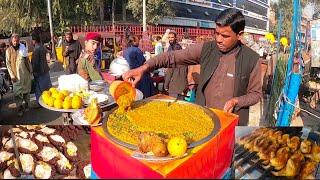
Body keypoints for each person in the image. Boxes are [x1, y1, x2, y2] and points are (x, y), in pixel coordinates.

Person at [123, 8, 262, 125]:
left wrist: (236, 101)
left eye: (225, 36)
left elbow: (255, 94)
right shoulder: (208, 49)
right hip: (204, 119)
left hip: (232, 124)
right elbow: (172, 57)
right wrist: (144, 68)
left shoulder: (251, 59)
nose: (219, 39)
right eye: (217, 33)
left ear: (239, 35)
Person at [6, 34, 33, 116]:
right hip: (16, 76)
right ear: (12, 41)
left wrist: (30, 70)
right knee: (17, 92)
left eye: (17, 41)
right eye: (14, 41)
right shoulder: (8, 50)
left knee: (26, 90)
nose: (15, 42)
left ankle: (27, 104)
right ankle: (19, 107)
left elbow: (27, 60)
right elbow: (8, 64)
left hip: (25, 74)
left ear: (19, 40)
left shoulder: (23, 48)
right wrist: (12, 76)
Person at [163, 31, 188, 98]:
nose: (170, 39)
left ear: (175, 38)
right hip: (179, 83)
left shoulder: (176, 48)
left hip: (175, 82)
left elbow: (171, 68)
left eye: (172, 37)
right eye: (169, 37)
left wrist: (166, 85)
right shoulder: (171, 47)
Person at [31, 33, 52, 103]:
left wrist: (34, 72)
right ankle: (48, 100)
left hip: (39, 72)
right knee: (47, 87)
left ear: (34, 41)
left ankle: (40, 103)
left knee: (39, 89)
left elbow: (35, 63)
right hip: (45, 70)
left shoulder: (36, 49)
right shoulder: (43, 47)